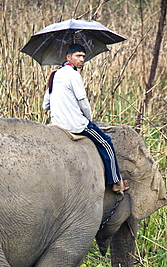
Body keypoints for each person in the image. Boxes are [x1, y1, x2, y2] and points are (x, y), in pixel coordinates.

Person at [42, 43, 129, 194]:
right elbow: (83, 101)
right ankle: (116, 182)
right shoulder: (74, 75)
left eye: (83, 56)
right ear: (69, 57)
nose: (82, 59)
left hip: (56, 124)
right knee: (106, 142)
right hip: (76, 124)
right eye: (78, 56)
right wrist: (88, 119)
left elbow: (45, 105)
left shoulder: (54, 75)